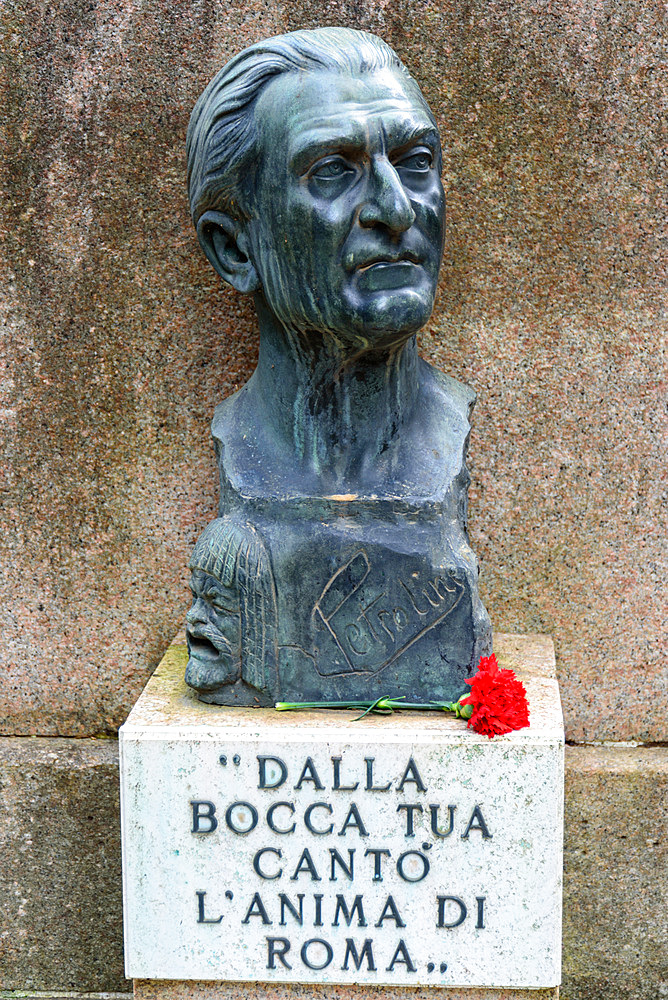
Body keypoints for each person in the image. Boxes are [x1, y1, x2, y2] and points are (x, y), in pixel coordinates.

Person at [185, 28, 491, 705]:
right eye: (332, 171)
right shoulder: (249, 459)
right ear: (236, 246)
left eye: (415, 161)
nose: (397, 208)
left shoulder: (445, 442)